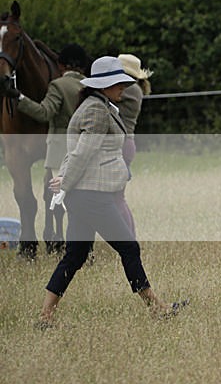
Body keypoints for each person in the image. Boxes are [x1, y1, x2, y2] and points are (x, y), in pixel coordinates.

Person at [37, 56, 187, 328]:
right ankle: (157, 307)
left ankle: (45, 315)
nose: (123, 88)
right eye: (118, 83)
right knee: (129, 247)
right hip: (92, 196)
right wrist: (66, 181)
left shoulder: (101, 105)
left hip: (85, 195)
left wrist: (65, 179)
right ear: (103, 86)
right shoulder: (96, 110)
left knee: (75, 256)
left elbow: (76, 151)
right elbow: (82, 152)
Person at [15, 43, 89, 251]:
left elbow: (44, 113)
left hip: (60, 150)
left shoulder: (58, 85)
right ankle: (85, 244)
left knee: (61, 198)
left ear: (61, 64)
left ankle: (63, 241)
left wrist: (19, 98)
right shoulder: (89, 85)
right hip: (84, 148)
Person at [115, 53, 152, 236]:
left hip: (121, 144)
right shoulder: (135, 88)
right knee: (118, 198)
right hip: (126, 143)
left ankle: (129, 239)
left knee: (117, 198)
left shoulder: (129, 89)